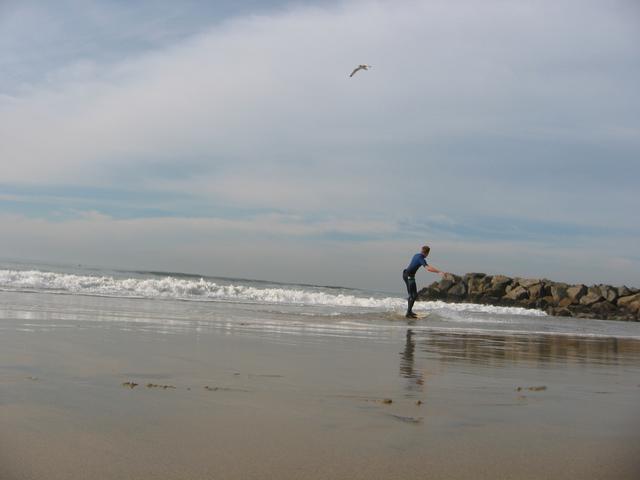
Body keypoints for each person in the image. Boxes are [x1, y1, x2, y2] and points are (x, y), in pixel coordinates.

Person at [402, 245, 446, 318]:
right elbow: (428, 268)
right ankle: (408, 313)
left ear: (421, 250)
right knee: (414, 295)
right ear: (427, 253)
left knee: (411, 295)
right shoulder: (421, 259)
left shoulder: (416, 255)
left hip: (405, 274)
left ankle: (409, 312)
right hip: (409, 277)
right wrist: (439, 272)